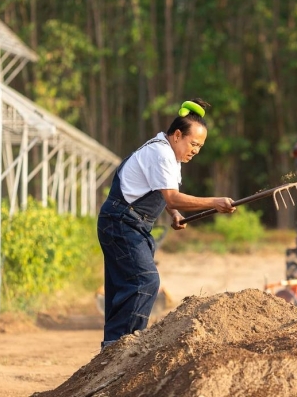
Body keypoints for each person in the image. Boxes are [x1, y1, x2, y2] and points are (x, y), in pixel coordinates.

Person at [97, 98, 236, 350]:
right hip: (120, 222)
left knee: (124, 285)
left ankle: (113, 345)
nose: (196, 150)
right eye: (193, 143)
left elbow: (164, 195)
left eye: (200, 146)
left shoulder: (170, 155)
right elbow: (172, 196)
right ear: (177, 135)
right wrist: (213, 202)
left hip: (130, 223)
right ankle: (123, 347)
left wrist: (173, 214)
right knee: (144, 281)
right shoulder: (161, 153)